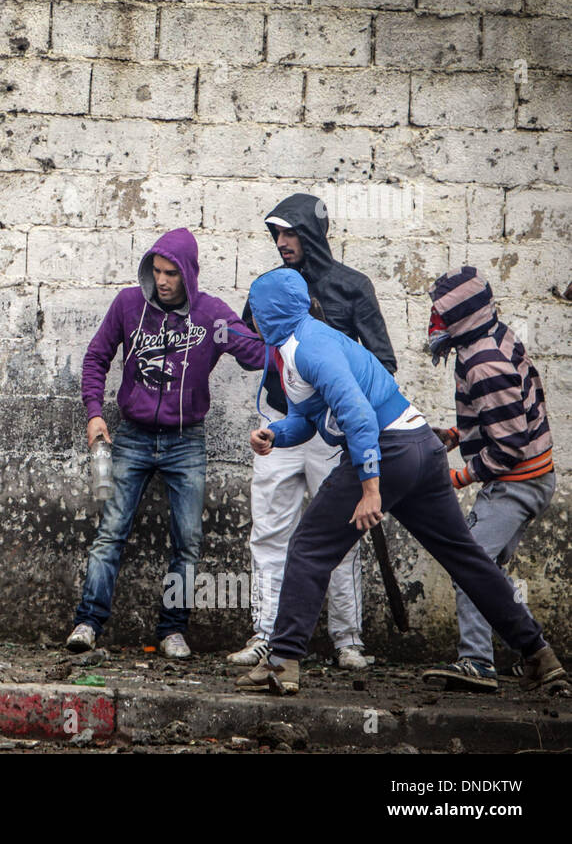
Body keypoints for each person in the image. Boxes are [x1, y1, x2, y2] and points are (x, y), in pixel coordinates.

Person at [235, 267, 567, 695]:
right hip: (421, 447)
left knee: (308, 548)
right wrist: (275, 435)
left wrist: (371, 487)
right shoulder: (302, 343)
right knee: (465, 557)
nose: (253, 320)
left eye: (256, 311)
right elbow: (311, 416)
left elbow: (356, 413)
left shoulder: (308, 348)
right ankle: (540, 655)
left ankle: (281, 662)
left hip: (388, 449)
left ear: (267, 313)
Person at [69, 228, 266, 657]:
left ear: (188, 274)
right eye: (156, 271)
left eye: (171, 273)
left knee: (188, 539)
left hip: (186, 441)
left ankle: (172, 630)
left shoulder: (211, 316)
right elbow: (96, 357)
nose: (161, 280)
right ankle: (88, 622)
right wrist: (94, 412)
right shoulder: (127, 304)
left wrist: (263, 316)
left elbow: (257, 357)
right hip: (132, 436)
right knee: (111, 532)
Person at [230, 194, 397, 670]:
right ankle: (267, 634)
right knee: (269, 532)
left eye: (291, 233)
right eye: (277, 234)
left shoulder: (352, 286)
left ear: (313, 234)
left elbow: (383, 363)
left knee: (338, 536)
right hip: (281, 423)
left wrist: (329, 362)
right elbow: (251, 340)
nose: (283, 243)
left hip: (335, 435)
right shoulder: (270, 289)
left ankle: (348, 640)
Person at [420, 267, 556, 691]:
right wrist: (460, 434)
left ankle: (477, 662)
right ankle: (537, 657)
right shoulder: (493, 337)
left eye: (441, 312)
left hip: (516, 483)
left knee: (470, 567)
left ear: (461, 314)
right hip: (532, 476)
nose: (433, 321)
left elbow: (510, 444)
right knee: (489, 570)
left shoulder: (482, 362)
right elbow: (507, 414)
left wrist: (460, 476)